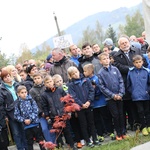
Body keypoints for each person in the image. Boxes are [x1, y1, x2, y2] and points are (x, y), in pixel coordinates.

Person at [113, 36, 142, 131]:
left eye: (126, 42)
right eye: (122, 43)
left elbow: (142, 62)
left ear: (129, 42)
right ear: (119, 46)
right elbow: (118, 66)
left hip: (138, 80)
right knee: (130, 105)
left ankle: (142, 123)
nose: (125, 44)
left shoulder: (136, 50)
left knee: (139, 103)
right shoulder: (116, 56)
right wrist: (131, 69)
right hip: (126, 82)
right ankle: (133, 123)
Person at [41, 75, 77, 150]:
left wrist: (68, 110)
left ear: (53, 81)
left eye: (50, 81)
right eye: (47, 82)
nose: (49, 83)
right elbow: (45, 107)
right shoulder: (44, 94)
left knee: (67, 131)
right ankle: (60, 147)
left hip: (63, 114)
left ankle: (71, 145)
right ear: (45, 84)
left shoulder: (60, 90)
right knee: (57, 133)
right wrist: (47, 117)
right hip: (54, 116)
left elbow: (66, 100)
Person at [67, 66, 101, 147]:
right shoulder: (71, 85)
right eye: (73, 74)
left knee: (91, 123)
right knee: (83, 124)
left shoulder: (86, 80)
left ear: (79, 71)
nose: (75, 74)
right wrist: (81, 104)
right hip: (80, 108)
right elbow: (73, 96)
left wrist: (89, 101)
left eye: (76, 72)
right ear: (70, 76)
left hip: (89, 105)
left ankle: (95, 139)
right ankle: (88, 140)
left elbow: (91, 90)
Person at [98, 52, 126, 140]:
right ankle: (118, 133)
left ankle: (123, 132)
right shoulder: (100, 73)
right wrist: (113, 95)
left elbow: (121, 81)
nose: (106, 60)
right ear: (100, 62)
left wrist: (121, 93)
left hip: (119, 96)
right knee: (115, 115)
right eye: (104, 59)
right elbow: (102, 87)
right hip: (110, 98)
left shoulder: (115, 69)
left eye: (107, 58)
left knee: (121, 114)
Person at [83, 64, 115, 141]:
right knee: (97, 120)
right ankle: (100, 134)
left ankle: (111, 132)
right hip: (93, 104)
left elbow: (102, 88)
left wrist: (96, 89)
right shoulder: (85, 81)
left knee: (106, 117)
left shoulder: (97, 78)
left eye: (85, 71)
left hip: (102, 102)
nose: (84, 73)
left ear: (90, 71)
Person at [52, 74, 83, 149]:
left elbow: (70, 99)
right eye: (57, 82)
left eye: (60, 81)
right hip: (63, 112)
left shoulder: (66, 87)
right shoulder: (56, 91)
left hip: (70, 110)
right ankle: (70, 142)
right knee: (68, 129)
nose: (59, 83)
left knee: (75, 125)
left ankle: (79, 140)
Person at [0, 69, 28, 150]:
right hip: (11, 113)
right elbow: (2, 105)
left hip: (21, 110)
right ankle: (20, 147)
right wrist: (5, 115)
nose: (7, 78)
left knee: (24, 130)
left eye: (8, 76)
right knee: (16, 133)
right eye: (5, 77)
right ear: (2, 79)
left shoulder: (17, 85)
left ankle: (26, 147)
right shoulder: (2, 89)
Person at [14, 85, 45, 150]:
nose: (24, 94)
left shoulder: (31, 100)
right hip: (26, 126)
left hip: (35, 124)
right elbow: (16, 115)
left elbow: (36, 110)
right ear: (18, 94)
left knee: (40, 140)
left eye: (25, 92)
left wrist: (30, 119)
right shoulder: (17, 103)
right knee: (29, 142)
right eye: (22, 93)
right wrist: (24, 120)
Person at [127, 55, 150, 136]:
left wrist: (147, 91)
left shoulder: (147, 71)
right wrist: (133, 92)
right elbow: (128, 84)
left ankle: (149, 125)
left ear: (142, 62)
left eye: (140, 62)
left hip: (146, 95)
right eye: (136, 62)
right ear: (133, 63)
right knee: (140, 111)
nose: (138, 64)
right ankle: (143, 127)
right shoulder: (130, 72)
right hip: (136, 97)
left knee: (147, 111)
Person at [29, 72, 55, 143]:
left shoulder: (45, 87)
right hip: (41, 114)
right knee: (44, 129)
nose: (37, 80)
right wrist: (40, 112)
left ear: (42, 78)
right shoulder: (32, 91)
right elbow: (33, 103)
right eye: (35, 79)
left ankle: (54, 143)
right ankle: (49, 143)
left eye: (38, 78)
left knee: (52, 128)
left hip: (50, 112)